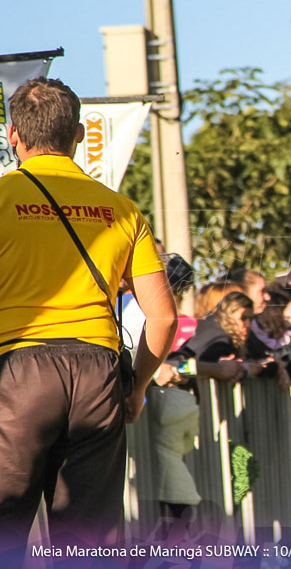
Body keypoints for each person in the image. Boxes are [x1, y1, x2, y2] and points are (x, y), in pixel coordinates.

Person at [0, 77, 177, 561]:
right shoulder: (123, 210)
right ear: (78, 134)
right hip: (97, 372)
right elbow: (162, 317)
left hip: (16, 373)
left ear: (12, 135)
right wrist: (136, 387)